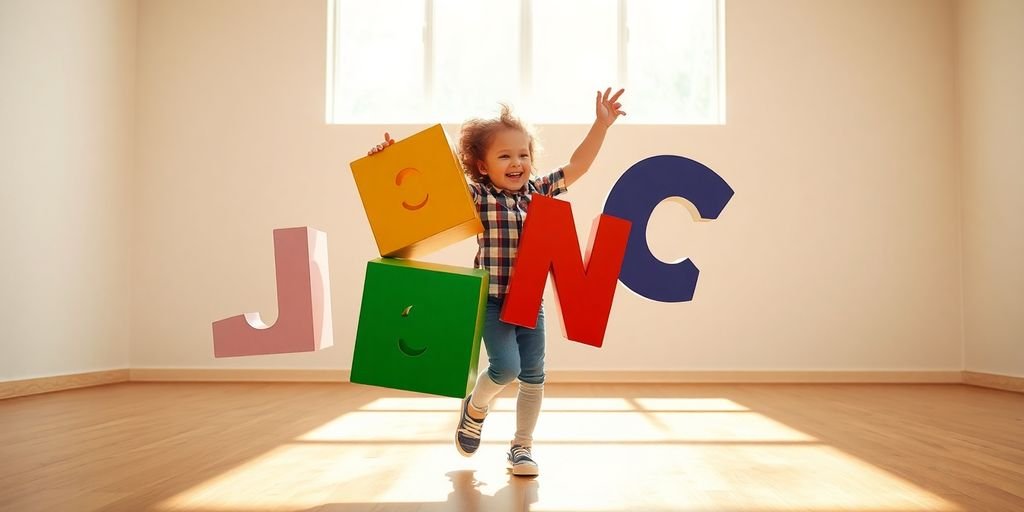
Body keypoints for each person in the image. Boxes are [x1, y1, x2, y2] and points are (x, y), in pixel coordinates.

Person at [367, 88, 626, 476]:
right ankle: (475, 407)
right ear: (482, 165)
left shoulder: (538, 192)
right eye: (504, 155)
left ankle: (522, 447)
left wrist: (601, 125)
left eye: (523, 154)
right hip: (491, 301)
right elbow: (424, 193)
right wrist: (390, 161)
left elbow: (579, 165)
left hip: (529, 303)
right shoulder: (477, 196)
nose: (517, 162)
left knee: (534, 376)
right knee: (506, 369)